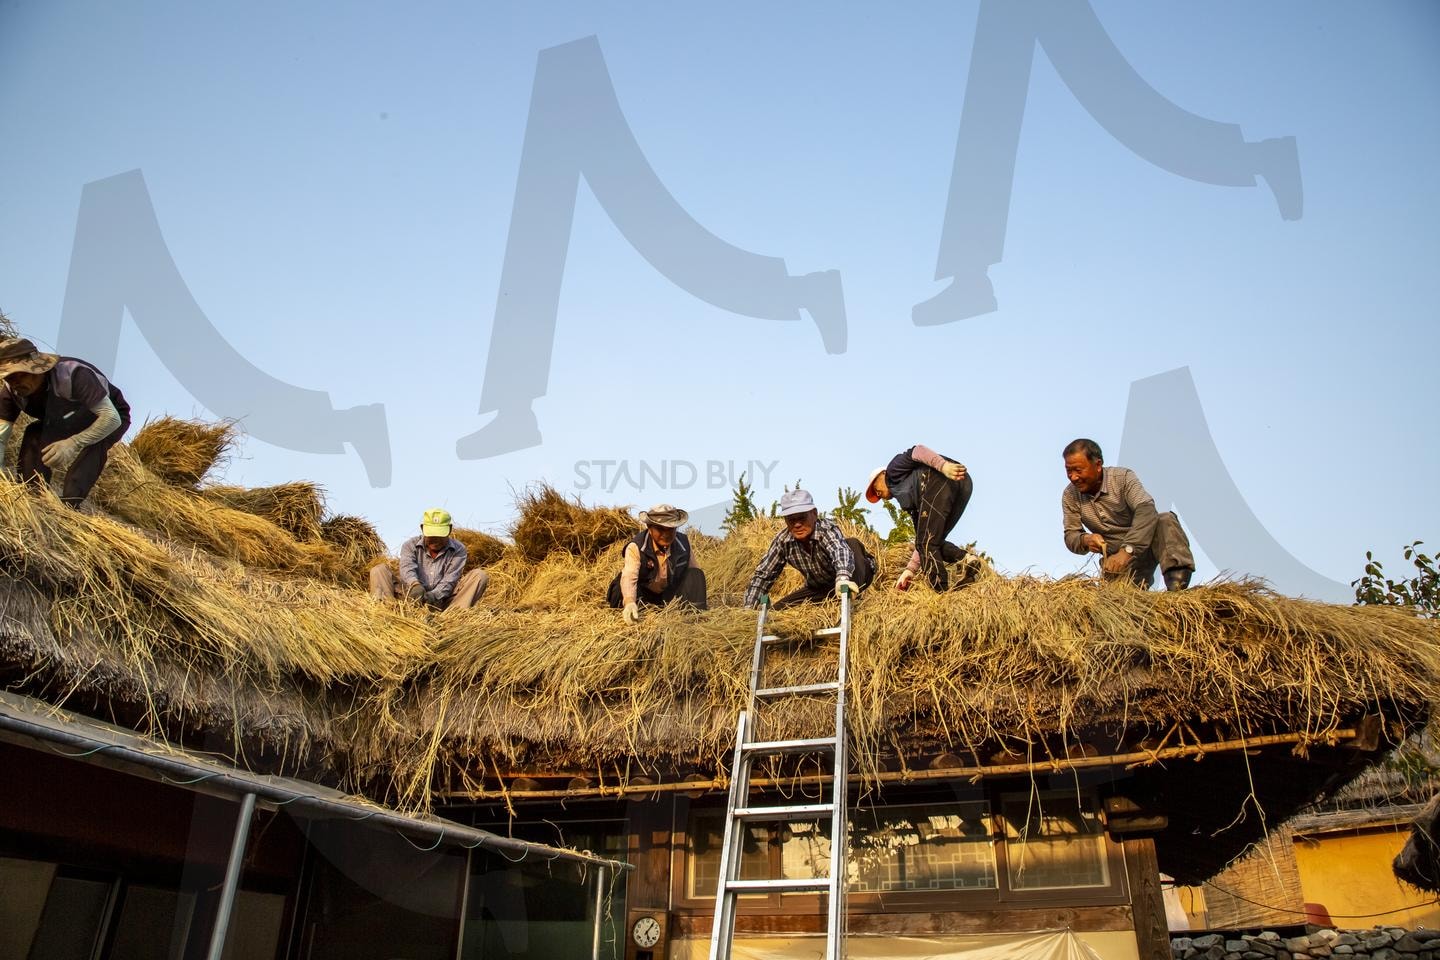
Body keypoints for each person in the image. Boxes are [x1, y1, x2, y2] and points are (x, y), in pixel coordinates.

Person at [0, 337, 131, 506]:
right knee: (34, 432)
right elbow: (1, 435)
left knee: (96, 444)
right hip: (64, 418)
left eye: (20, 375)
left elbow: (110, 418)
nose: (15, 383)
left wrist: (73, 443)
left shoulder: (73, 374)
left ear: (37, 368)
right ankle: (32, 497)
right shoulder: (11, 392)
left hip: (107, 415)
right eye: (9, 378)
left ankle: (70, 505)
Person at [1061, 438, 1195, 590]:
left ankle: (1177, 589)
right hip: (1115, 561)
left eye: (1078, 470)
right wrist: (1085, 540)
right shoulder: (1070, 496)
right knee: (1116, 605)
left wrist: (1127, 551)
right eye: (1068, 471)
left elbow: (1146, 510)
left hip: (1145, 543)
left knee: (1165, 520)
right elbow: (1071, 534)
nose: (1073, 477)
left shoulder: (1122, 478)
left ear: (1098, 465)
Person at [865, 444, 974, 591]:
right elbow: (920, 541)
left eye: (875, 487)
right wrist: (910, 570)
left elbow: (918, 450)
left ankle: (940, 591)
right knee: (932, 539)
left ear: (882, 474)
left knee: (927, 542)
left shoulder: (893, 471)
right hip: (963, 484)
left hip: (943, 477)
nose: (877, 494)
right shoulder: (912, 505)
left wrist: (943, 466)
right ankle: (967, 560)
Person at [743, 489, 875, 610]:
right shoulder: (783, 541)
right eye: (791, 520)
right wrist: (748, 611)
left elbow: (839, 551)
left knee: (851, 544)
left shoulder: (826, 529)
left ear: (814, 514)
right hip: (819, 588)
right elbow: (763, 576)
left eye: (802, 517)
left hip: (850, 577)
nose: (797, 524)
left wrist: (842, 579)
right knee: (776, 613)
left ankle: (849, 606)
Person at [370, 509, 490, 610]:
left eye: (439, 535)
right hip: (410, 597)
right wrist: (415, 585)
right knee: (378, 570)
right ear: (422, 529)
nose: (435, 539)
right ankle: (386, 611)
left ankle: (454, 616)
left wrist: (433, 595)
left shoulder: (458, 549)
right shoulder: (410, 545)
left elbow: (450, 580)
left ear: (449, 529)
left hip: (442, 601)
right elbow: (407, 568)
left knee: (479, 576)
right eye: (431, 535)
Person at [606, 504, 708, 623]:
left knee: (695, 575)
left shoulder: (683, 544)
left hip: (668, 595)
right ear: (649, 528)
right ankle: (631, 615)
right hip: (644, 593)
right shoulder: (636, 547)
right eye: (660, 529)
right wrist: (629, 602)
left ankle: (695, 620)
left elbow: (694, 574)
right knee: (619, 588)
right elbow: (629, 577)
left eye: (670, 529)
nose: (666, 534)